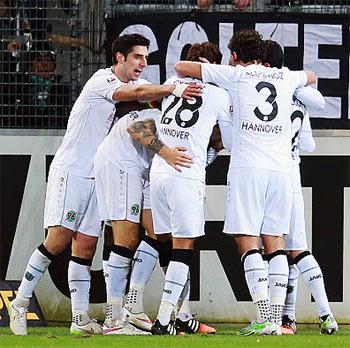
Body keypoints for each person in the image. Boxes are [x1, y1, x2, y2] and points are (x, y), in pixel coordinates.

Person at [8, 33, 202, 336]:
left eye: (146, 58)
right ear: (120, 58)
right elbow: (136, 92)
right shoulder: (102, 81)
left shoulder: (129, 96)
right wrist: (173, 87)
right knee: (58, 239)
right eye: (137, 57)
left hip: (98, 173)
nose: (143, 63)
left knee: (86, 245)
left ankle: (80, 318)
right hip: (72, 169)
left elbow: (139, 107)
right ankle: (20, 302)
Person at [174, 29, 316, 336]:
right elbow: (313, 76)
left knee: (246, 239)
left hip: (248, 168)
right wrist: (288, 76)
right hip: (281, 169)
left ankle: (264, 316)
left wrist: (207, 67)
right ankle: (277, 321)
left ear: (235, 56)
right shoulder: (285, 77)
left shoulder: (235, 75)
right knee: (275, 238)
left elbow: (180, 69)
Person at [128, 41, 233, 335]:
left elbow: (141, 122)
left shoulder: (171, 84)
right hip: (186, 173)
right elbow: (231, 140)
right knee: (184, 246)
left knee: (161, 238)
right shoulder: (218, 93)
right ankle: (163, 320)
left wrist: (165, 149)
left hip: (159, 172)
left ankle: (149, 307)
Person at [94, 106, 194, 335]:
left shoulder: (168, 120)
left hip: (139, 170)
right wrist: (167, 151)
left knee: (157, 231)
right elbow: (136, 128)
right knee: (126, 239)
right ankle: (113, 319)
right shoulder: (161, 117)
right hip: (122, 165)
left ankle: (133, 308)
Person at [264, 40, 338, 335]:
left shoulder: (266, 95)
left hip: (271, 173)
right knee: (298, 248)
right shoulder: (297, 95)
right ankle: (316, 316)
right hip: (293, 175)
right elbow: (309, 142)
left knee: (279, 249)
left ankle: (279, 318)